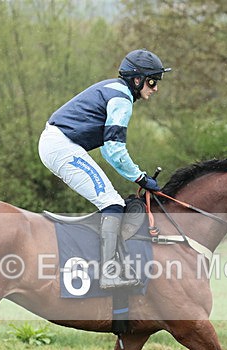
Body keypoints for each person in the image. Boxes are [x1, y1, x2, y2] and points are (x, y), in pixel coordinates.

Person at [39, 49, 170, 289]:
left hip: (59, 143)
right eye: (152, 81)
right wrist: (140, 177)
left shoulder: (116, 90)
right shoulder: (121, 99)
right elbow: (113, 151)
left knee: (112, 202)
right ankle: (108, 272)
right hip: (61, 146)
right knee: (113, 203)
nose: (155, 88)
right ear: (137, 79)